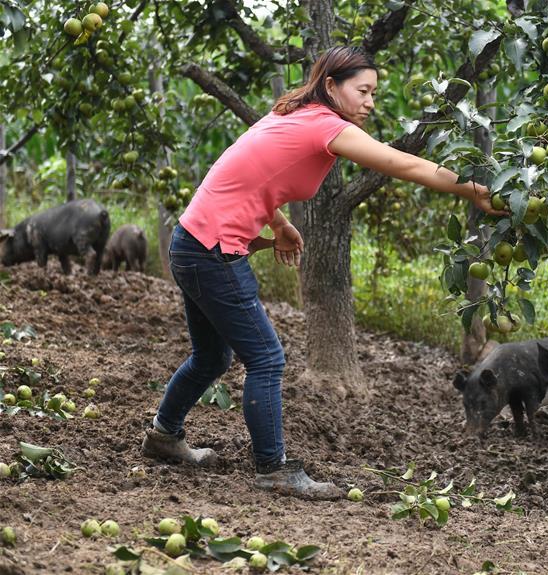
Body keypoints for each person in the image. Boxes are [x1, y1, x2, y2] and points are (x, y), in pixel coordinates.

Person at [140, 46, 505, 499]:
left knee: (213, 358)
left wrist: (279, 222)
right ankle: (273, 469)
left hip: (194, 241)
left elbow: (253, 173)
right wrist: (474, 190)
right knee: (267, 359)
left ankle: (163, 437)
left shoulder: (295, 113)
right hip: (211, 250)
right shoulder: (326, 125)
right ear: (331, 86)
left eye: (374, 92)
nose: (371, 101)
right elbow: (404, 163)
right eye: (363, 90)